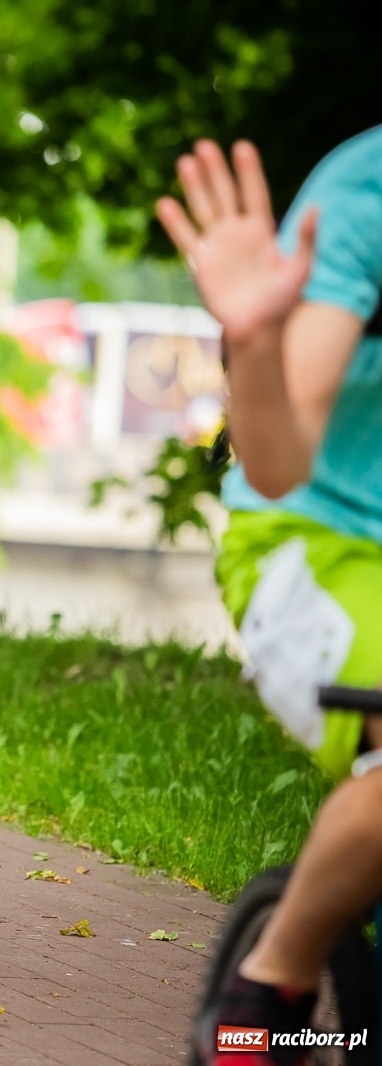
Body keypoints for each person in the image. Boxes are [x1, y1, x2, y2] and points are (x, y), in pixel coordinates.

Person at [158, 131, 382, 1064]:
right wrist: (253, 340)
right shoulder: (367, 192)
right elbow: (280, 462)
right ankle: (266, 992)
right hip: (321, 539)